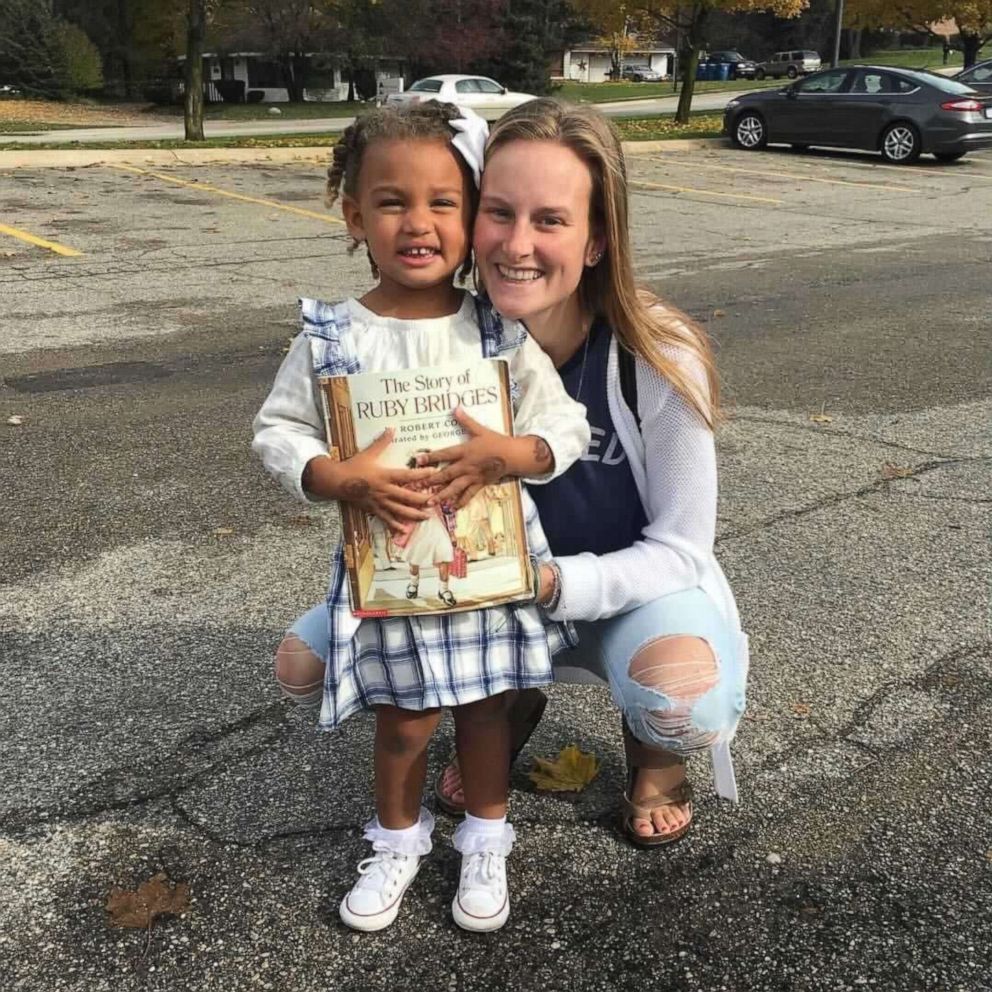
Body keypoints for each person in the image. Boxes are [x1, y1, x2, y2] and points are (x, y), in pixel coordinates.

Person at [276, 98, 748, 851]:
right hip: (470, 592)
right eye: (498, 212)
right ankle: (509, 699)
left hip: (606, 595)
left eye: (551, 220)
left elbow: (684, 550)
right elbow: (313, 439)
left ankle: (655, 760)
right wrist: (340, 476)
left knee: (682, 699)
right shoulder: (438, 341)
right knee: (302, 666)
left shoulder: (656, 357)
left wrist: (555, 583)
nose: (516, 244)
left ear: (596, 241)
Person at [252, 102, 590, 933]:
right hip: (392, 568)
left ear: (470, 215)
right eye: (392, 201)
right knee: (404, 721)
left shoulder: (498, 331)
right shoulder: (332, 338)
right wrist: (336, 476)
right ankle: (398, 840)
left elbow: (566, 424)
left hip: (486, 560)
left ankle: (486, 838)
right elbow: (276, 430)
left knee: (486, 712)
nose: (419, 222)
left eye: (444, 202)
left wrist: (514, 455)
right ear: (353, 214)